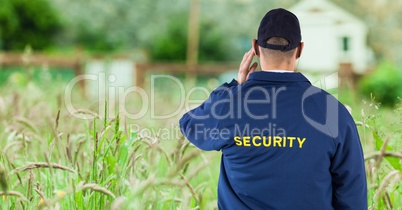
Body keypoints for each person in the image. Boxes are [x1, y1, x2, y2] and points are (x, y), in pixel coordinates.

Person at [179, 8, 367, 210]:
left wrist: (234, 87)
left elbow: (190, 125)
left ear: (255, 48)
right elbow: (352, 194)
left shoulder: (230, 106)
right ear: (300, 49)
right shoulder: (332, 111)